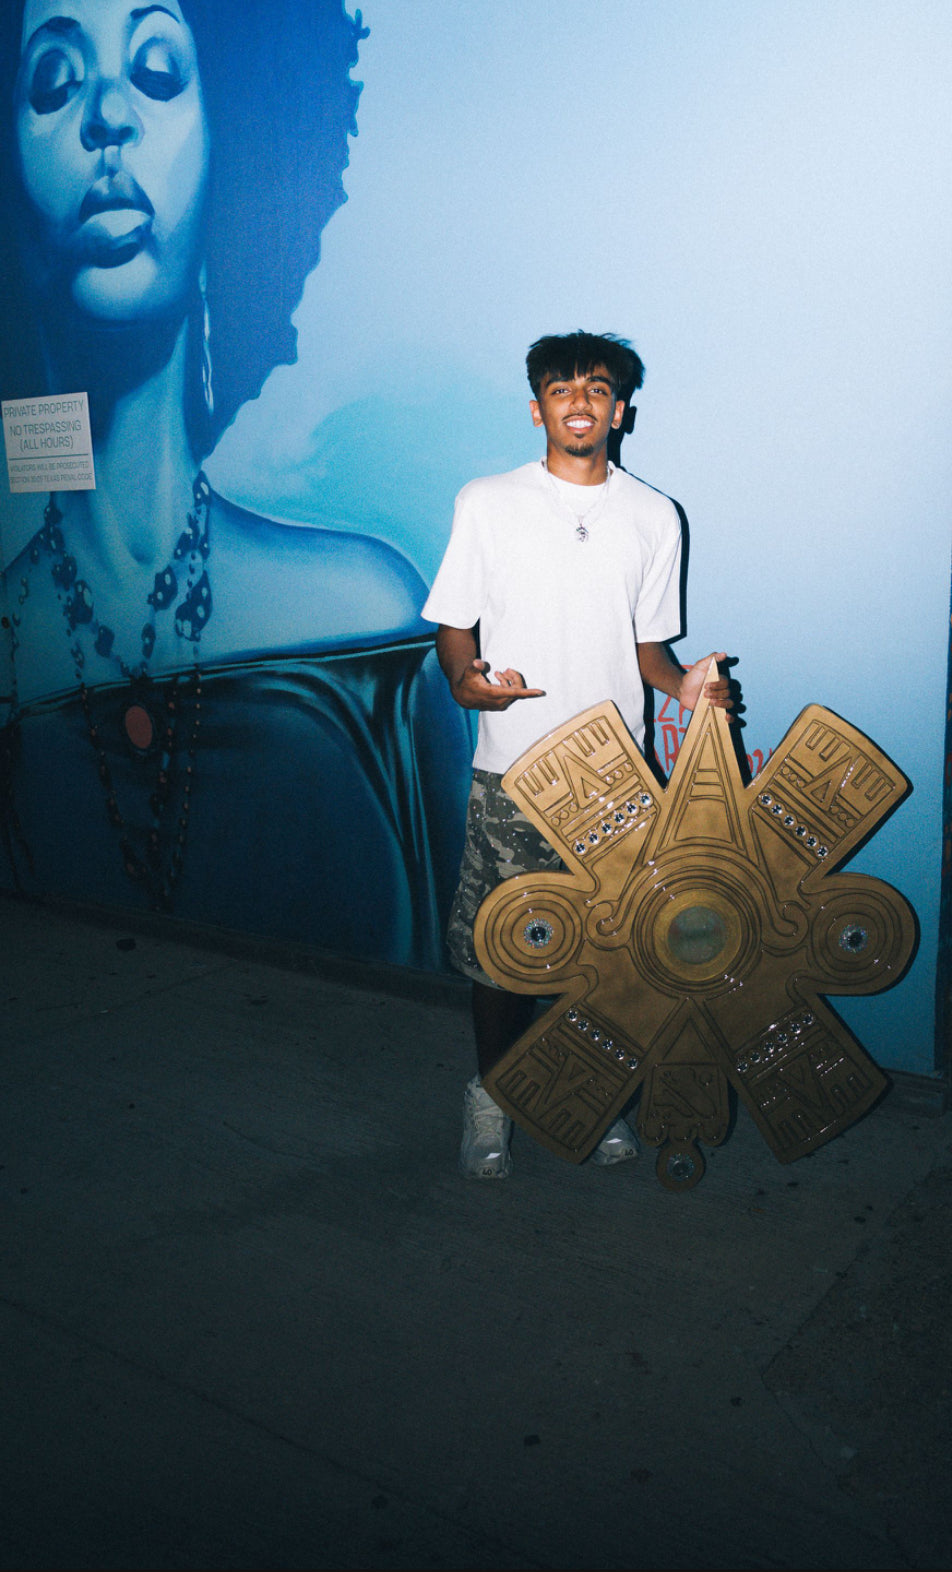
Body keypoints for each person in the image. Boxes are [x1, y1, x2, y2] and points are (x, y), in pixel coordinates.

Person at [0, 0, 469, 965]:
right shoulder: (14, 642)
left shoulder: (372, 621)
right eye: (54, 82)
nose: (107, 117)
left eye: (156, 71)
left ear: (231, 141)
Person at [423, 331, 733, 1178]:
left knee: (606, 954)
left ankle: (590, 1095)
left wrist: (685, 688)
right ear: (537, 409)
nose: (579, 403)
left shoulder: (654, 515)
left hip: (615, 779)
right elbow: (455, 623)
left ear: (619, 410)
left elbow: (648, 651)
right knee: (504, 952)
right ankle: (491, 1097)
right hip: (515, 768)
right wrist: (462, 681)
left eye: (596, 388)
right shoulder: (487, 501)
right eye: (560, 389)